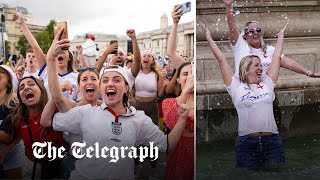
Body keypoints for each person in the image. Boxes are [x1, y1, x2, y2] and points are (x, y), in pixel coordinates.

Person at [40, 64, 190, 179]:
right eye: (105, 80)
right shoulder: (84, 112)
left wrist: (182, 119)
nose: (110, 83)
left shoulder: (140, 119)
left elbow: (167, 145)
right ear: (102, 88)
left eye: (116, 80)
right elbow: (46, 121)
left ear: (126, 88)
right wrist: (51, 60)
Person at [199, 20, 287, 169]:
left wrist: (281, 37)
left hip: (272, 142)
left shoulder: (268, 82)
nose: (261, 68)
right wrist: (208, 36)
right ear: (246, 69)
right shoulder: (235, 85)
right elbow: (221, 59)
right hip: (246, 143)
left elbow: (277, 58)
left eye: (261, 65)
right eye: (257, 65)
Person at [223, 0, 320, 77]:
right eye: (251, 31)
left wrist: (307, 72)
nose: (255, 33)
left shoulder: (269, 50)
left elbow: (289, 63)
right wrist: (229, 7)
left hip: (265, 94)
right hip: (244, 95)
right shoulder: (240, 46)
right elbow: (232, 27)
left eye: (258, 30)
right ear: (245, 35)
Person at [0, 76, 65, 179]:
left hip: (62, 167)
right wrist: (3, 153)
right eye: (21, 87)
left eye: (31, 84)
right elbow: (15, 139)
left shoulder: (56, 109)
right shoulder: (18, 118)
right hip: (35, 169)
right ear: (20, 97)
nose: (26, 88)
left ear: (41, 90)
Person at [13, 12, 81, 102]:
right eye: (58, 51)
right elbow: (35, 46)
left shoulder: (77, 77)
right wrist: (21, 22)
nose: (60, 53)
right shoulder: (47, 71)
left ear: (69, 57)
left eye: (64, 51)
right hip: (47, 115)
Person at [162, 62, 194, 180]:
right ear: (179, 79)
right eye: (186, 74)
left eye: (193, 74)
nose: (191, 77)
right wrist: (185, 91)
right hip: (179, 162)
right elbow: (171, 122)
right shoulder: (168, 103)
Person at [0, 65, 24, 179]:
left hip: (11, 154)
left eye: (1, 72)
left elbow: (7, 137)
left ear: (9, 83)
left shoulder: (14, 105)